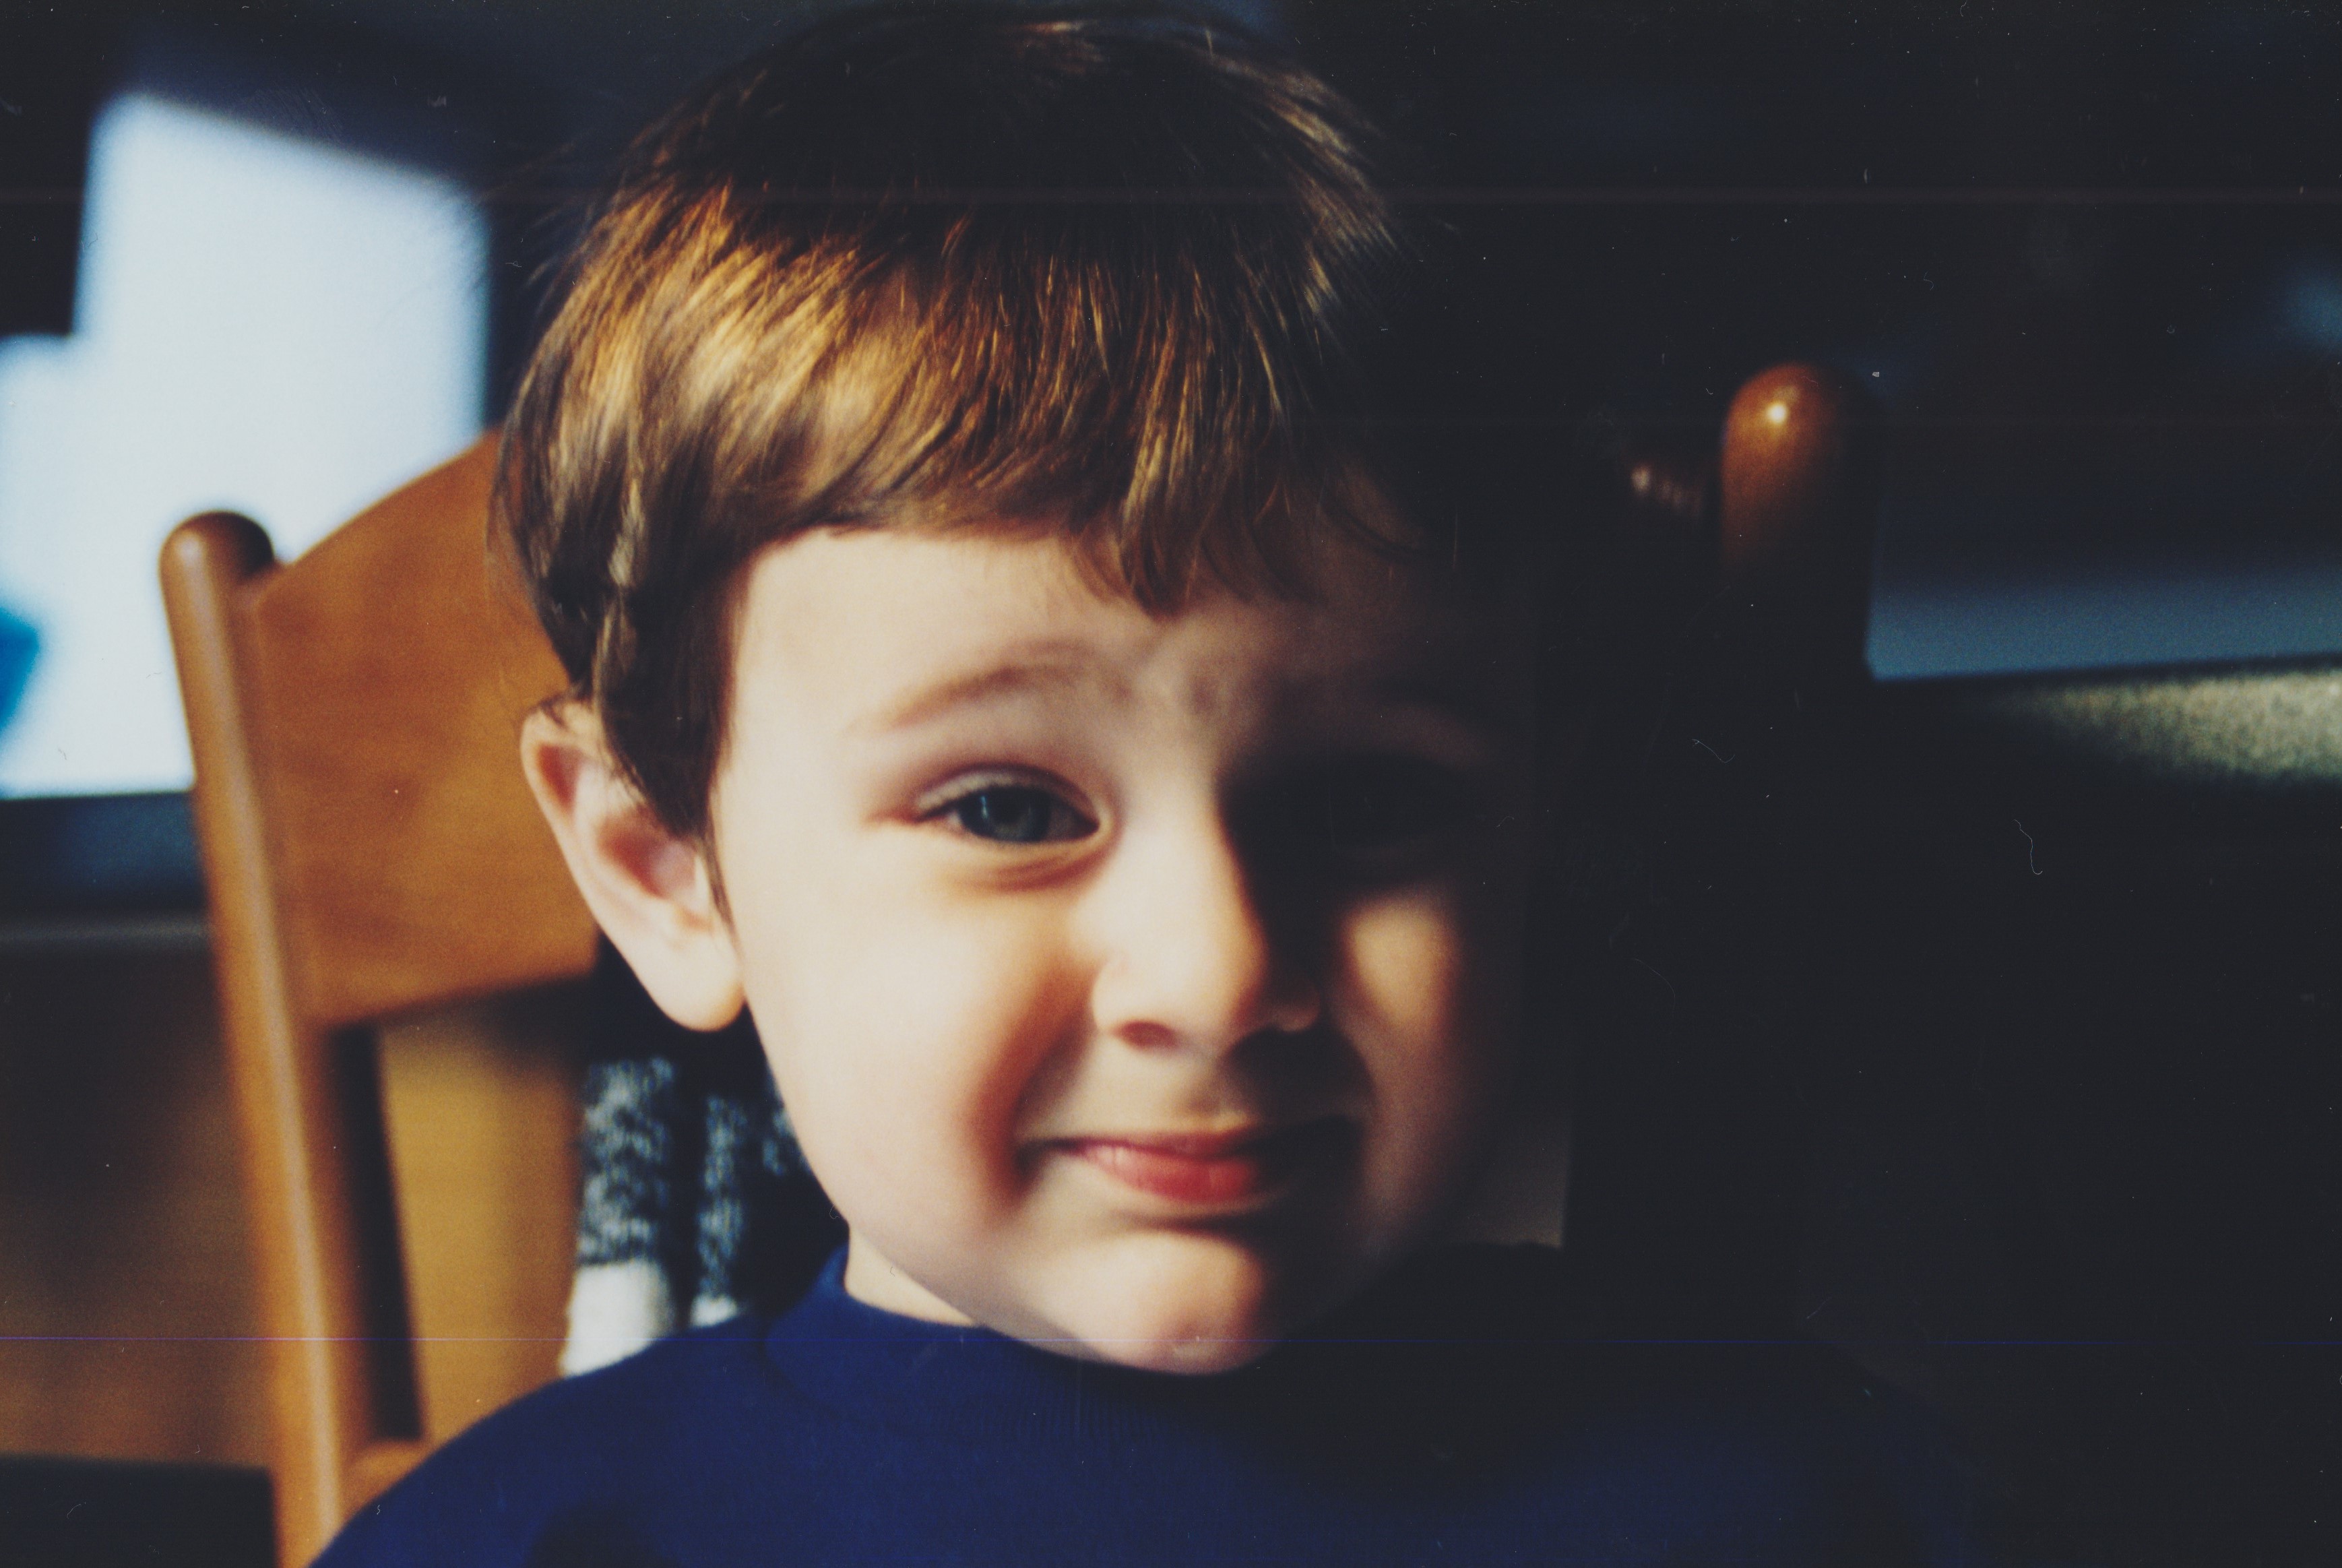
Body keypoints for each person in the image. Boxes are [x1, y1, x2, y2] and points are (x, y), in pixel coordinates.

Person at [318, 4, 1986, 1562]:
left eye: (1366, 805)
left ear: (1539, 815)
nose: (1218, 978)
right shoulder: (531, 1534)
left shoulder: (1811, 1504)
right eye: (1007, 810)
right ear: (665, 873)